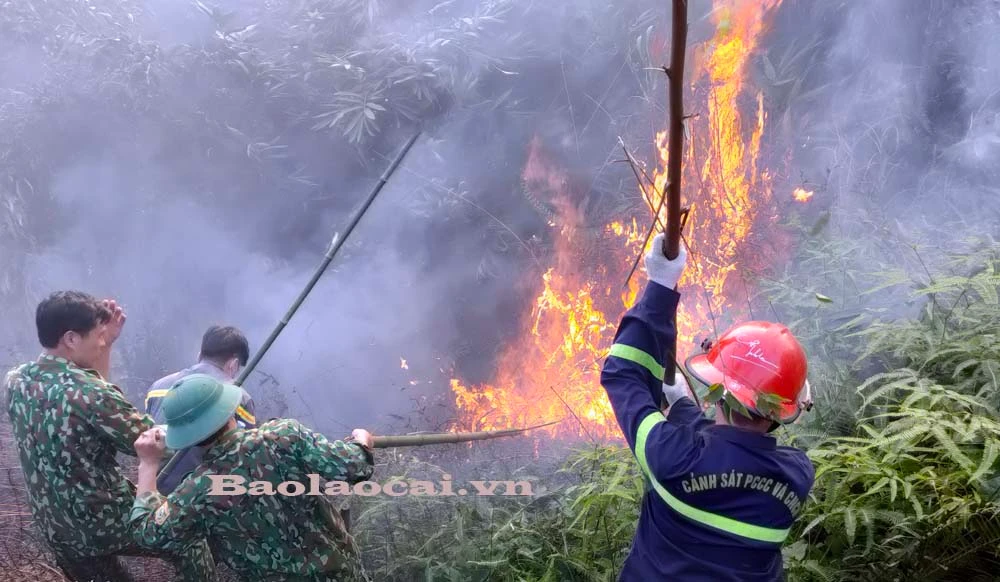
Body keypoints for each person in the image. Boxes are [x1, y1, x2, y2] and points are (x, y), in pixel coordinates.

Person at [601, 233, 815, 581]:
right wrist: (682, 402)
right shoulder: (797, 477)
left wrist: (660, 282)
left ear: (718, 390)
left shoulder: (670, 458)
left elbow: (622, 373)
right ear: (787, 410)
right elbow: (727, 455)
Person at [2, 290, 215, 581]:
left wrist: (108, 343)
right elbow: (152, 443)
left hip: (56, 527)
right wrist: (210, 422)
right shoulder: (93, 395)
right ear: (71, 339)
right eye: (97, 336)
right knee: (190, 541)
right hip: (102, 520)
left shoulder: (15, 380)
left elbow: (88, 391)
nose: (102, 342)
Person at [129, 373, 376, 581]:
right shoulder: (284, 436)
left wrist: (148, 464)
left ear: (187, 436)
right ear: (228, 410)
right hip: (340, 574)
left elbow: (149, 536)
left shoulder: (197, 491)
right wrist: (361, 442)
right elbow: (353, 468)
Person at [144, 324, 257, 494]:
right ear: (233, 365)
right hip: (203, 498)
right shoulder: (238, 398)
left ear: (199, 355)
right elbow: (248, 456)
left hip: (156, 493)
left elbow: (148, 438)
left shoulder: (157, 388)